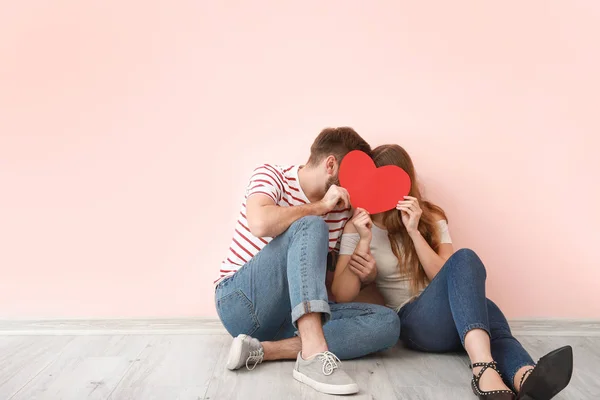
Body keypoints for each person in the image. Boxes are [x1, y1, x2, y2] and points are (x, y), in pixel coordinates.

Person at [331, 144, 573, 400]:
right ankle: (483, 368)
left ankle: (525, 377)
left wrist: (414, 232)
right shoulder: (356, 226)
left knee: (472, 277)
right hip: (415, 321)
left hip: (457, 316)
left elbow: (445, 274)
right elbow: (341, 295)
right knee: (485, 305)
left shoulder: (430, 217)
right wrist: (364, 240)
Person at [214, 128, 401, 395]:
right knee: (312, 225)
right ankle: (313, 354)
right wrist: (319, 208)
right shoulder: (272, 174)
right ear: (331, 165)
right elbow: (259, 223)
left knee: (388, 323)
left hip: (291, 319)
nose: (356, 186)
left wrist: (364, 266)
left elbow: (335, 293)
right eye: (353, 175)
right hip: (240, 303)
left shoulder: (343, 210)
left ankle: (264, 350)